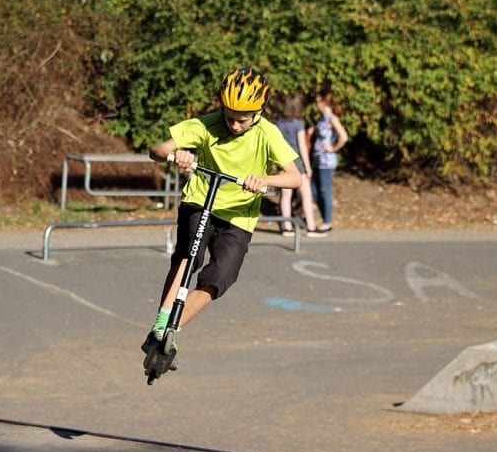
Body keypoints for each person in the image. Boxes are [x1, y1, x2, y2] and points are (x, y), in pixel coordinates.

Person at [143, 67, 302, 364]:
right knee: (188, 257)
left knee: (221, 277)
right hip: (201, 200)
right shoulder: (207, 125)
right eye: (229, 116)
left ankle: (171, 331)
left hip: (239, 215)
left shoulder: (268, 133)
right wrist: (177, 154)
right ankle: (159, 325)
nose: (235, 124)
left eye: (242, 119)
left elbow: (295, 178)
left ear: (258, 112)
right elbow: (157, 149)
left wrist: (264, 181)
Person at [274, 95, 326, 237]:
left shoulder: (278, 124)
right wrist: (308, 167)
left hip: (282, 161)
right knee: (306, 194)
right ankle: (310, 227)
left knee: (285, 196)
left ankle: (286, 226)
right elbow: (302, 147)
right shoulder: (298, 124)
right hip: (296, 161)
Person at [307, 88, 348, 233]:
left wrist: (333, 148)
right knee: (314, 190)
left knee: (325, 190)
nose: (316, 104)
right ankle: (324, 218)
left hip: (327, 161)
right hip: (317, 159)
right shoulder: (322, 118)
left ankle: (327, 222)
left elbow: (344, 136)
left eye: (318, 101)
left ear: (325, 102)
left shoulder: (332, 118)